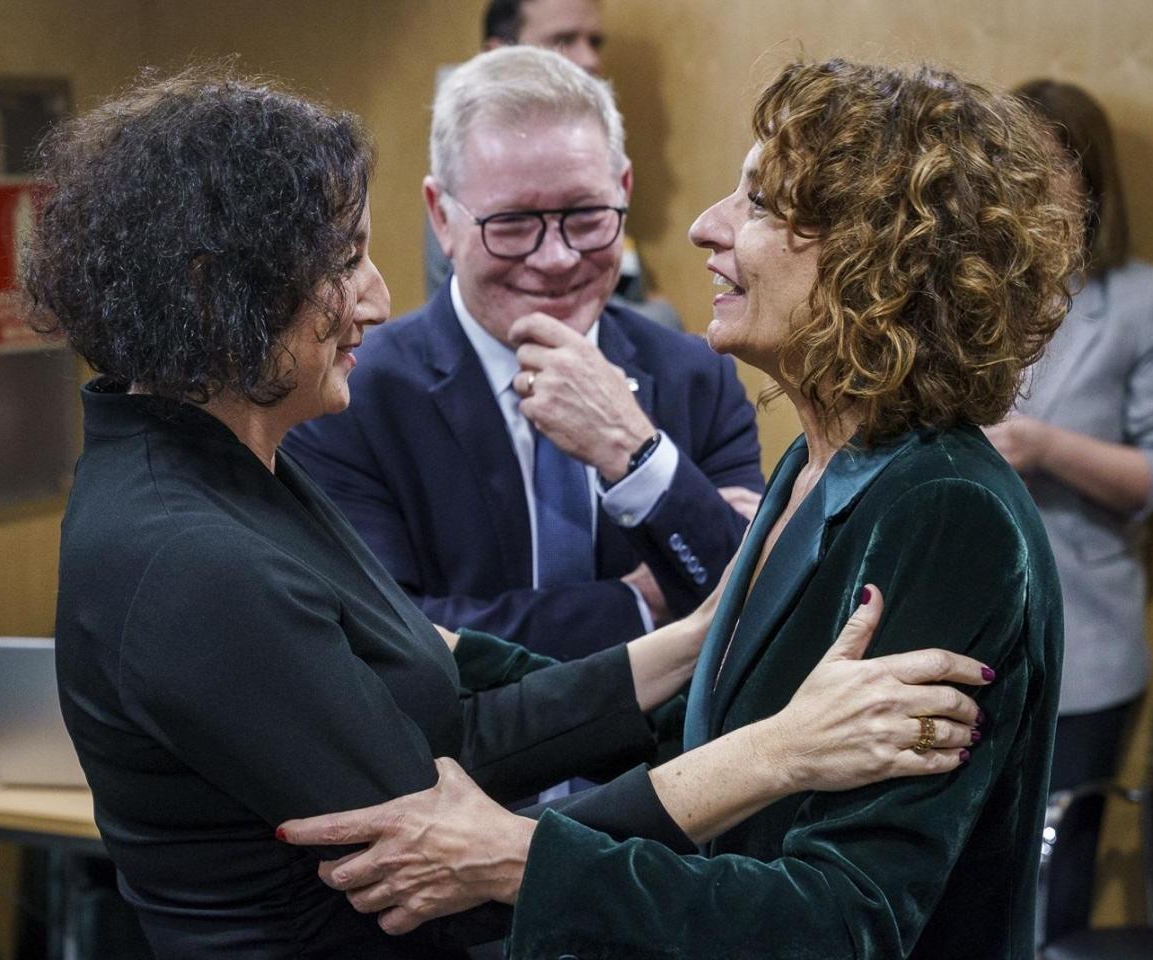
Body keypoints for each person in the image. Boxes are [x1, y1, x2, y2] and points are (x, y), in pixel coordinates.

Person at [28, 65, 992, 959]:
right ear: (220, 294)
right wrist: (774, 754)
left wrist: (706, 635)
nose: (377, 296)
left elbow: (457, 726)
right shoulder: (188, 550)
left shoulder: (232, 469)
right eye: (343, 264)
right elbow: (455, 866)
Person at [281, 57, 1082, 959]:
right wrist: (452, 655)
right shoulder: (821, 465)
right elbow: (711, 717)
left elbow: (846, 919)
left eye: (760, 204)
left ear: (881, 259)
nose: (705, 227)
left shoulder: (945, 514)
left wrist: (522, 861)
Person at [286, 48, 763, 662]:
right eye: (513, 224)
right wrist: (638, 604)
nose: (558, 256)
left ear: (623, 190)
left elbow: (756, 609)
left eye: (586, 215)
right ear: (442, 218)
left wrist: (635, 453)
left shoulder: (698, 376)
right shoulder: (348, 397)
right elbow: (388, 643)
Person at [992, 78, 1153, 943]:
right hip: (953, 637)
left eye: (1045, 167)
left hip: (1084, 642)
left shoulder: (1137, 300)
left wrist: (1044, 449)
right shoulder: (952, 285)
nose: (1021, 185)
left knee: (1052, 897)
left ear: (1090, 181)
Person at [422, 0, 681, 334]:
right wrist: (661, 316)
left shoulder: (594, 148)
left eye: (594, 42)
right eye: (564, 40)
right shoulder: (470, 170)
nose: (590, 59)